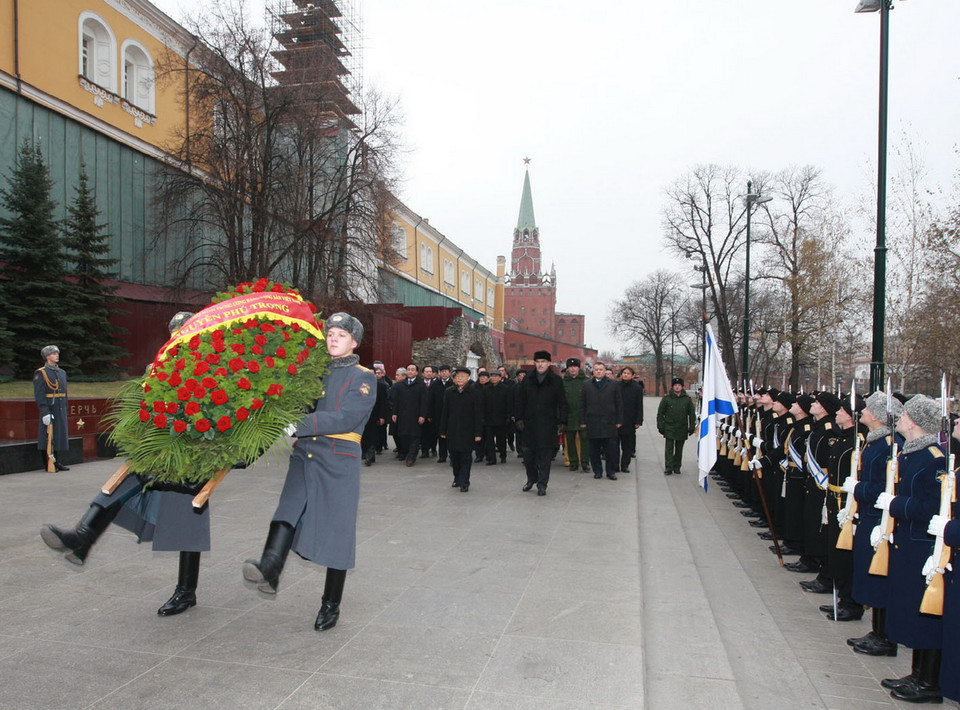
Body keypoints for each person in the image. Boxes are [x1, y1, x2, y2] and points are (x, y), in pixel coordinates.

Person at [40, 312, 215, 616]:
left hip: (192, 452)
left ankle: (186, 591)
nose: (177, 337)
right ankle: (82, 538)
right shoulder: (158, 367)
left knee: (188, 518)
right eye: (173, 332)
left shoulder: (209, 369)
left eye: (183, 332)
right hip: (156, 448)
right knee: (121, 483)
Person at [243, 312, 376, 632]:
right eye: (330, 333)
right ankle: (270, 572)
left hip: (338, 458)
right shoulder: (310, 373)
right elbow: (295, 405)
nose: (333, 338)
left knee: (337, 532)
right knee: (287, 510)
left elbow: (346, 417)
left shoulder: (363, 377)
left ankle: (330, 604)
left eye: (341, 335)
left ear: (354, 342)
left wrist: (298, 425)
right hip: (305, 453)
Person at [874, 395, 944, 702]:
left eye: (902, 415)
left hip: (921, 546)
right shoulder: (908, 453)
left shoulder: (934, 458)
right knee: (912, 611)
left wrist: (896, 505)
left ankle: (929, 681)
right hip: (906, 542)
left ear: (913, 422)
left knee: (927, 616)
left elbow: (931, 507)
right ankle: (917, 673)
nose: (898, 419)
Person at [515, 351, 568, 496]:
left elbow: (562, 403)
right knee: (528, 456)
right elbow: (520, 401)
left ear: (549, 363)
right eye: (537, 361)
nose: (540, 364)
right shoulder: (527, 379)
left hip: (548, 424)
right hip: (529, 424)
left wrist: (562, 421)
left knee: (545, 457)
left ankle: (542, 484)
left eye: (543, 361)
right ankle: (532, 478)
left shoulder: (556, 380)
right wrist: (519, 418)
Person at [438, 367, 483, 491]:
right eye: (458, 376)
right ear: (454, 378)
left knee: (466, 457)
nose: (460, 379)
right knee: (454, 457)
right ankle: (457, 477)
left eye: (463, 376)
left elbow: (478, 414)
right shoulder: (449, 392)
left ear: (468, 378)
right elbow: (445, 412)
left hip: (468, 431)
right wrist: (442, 430)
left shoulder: (474, 393)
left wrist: (478, 433)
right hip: (452, 430)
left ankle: (464, 482)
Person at [580, 361, 622, 480]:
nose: (598, 371)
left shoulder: (613, 384)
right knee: (594, 449)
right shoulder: (587, 385)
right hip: (592, 422)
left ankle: (610, 471)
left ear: (605, 371)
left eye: (601, 369)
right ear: (593, 371)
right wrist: (582, 420)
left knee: (611, 449)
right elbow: (582, 404)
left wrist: (619, 420)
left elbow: (619, 403)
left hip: (609, 422)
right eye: (596, 369)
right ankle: (597, 471)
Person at [34, 345, 70, 471]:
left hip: (60, 408)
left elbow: (64, 393)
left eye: (57, 353)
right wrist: (44, 411)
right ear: (47, 356)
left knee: (58, 436)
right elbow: (39, 394)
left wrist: (66, 408)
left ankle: (56, 461)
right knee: (47, 436)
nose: (57, 355)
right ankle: (47, 462)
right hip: (50, 408)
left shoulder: (61, 372)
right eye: (54, 353)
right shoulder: (41, 372)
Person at [390, 363, 428, 466]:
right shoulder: (401, 385)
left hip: (415, 415)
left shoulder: (421, 385)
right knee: (403, 436)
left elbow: (424, 401)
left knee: (415, 437)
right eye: (408, 369)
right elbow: (396, 401)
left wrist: (422, 415)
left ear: (416, 372)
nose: (410, 371)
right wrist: (394, 413)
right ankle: (406, 453)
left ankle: (411, 458)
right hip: (403, 415)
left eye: (412, 370)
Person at [657, 377, 696, 475]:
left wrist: (692, 426)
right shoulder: (667, 398)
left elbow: (691, 414)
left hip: (682, 427)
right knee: (669, 448)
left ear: (682, 387)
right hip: (669, 426)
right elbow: (660, 413)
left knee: (679, 448)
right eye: (675, 385)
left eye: (679, 386)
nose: (677, 387)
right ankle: (669, 467)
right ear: (673, 387)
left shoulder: (687, 399)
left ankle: (677, 466)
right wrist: (660, 425)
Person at [561, 357, 590, 472]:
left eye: (575, 366)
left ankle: (584, 462)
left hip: (582, 416)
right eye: (570, 367)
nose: (573, 369)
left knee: (584, 440)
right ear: (567, 368)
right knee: (570, 441)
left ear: (579, 367)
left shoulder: (586, 381)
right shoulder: (563, 382)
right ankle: (573, 462)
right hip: (568, 416)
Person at [482, 368, 514, 465]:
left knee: (501, 439)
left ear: (500, 378)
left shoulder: (505, 389)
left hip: (501, 418)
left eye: (496, 376)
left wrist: (508, 416)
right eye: (492, 376)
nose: (493, 378)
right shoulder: (486, 389)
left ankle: (503, 455)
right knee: (489, 440)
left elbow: (509, 403)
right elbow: (483, 404)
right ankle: (492, 458)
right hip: (489, 418)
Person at [361, 363, 390, 466]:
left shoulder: (381, 387)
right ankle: (367, 454)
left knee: (372, 436)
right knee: (363, 436)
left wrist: (382, 416)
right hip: (362, 415)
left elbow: (383, 403)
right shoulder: (359, 386)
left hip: (375, 415)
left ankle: (369, 455)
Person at [617, 366, 644, 473]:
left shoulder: (637, 388)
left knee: (627, 445)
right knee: (614, 445)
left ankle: (625, 465)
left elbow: (639, 405)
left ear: (632, 375)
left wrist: (638, 420)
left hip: (630, 419)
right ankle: (615, 465)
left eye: (628, 373)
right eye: (624, 373)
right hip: (617, 419)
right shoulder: (616, 386)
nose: (626, 375)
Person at [420, 365, 443, 459]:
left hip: (433, 413)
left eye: (431, 372)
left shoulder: (437, 383)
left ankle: (433, 448)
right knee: (423, 433)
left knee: (433, 433)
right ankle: (424, 451)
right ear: (423, 373)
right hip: (421, 412)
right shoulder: (419, 383)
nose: (429, 373)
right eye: (427, 371)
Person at [435, 365, 454, 463]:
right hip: (438, 414)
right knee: (441, 436)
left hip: (451, 414)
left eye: (446, 371)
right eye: (442, 371)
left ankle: (452, 456)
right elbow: (430, 400)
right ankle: (442, 455)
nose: (444, 373)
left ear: (450, 373)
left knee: (451, 436)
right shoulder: (435, 384)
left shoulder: (453, 384)